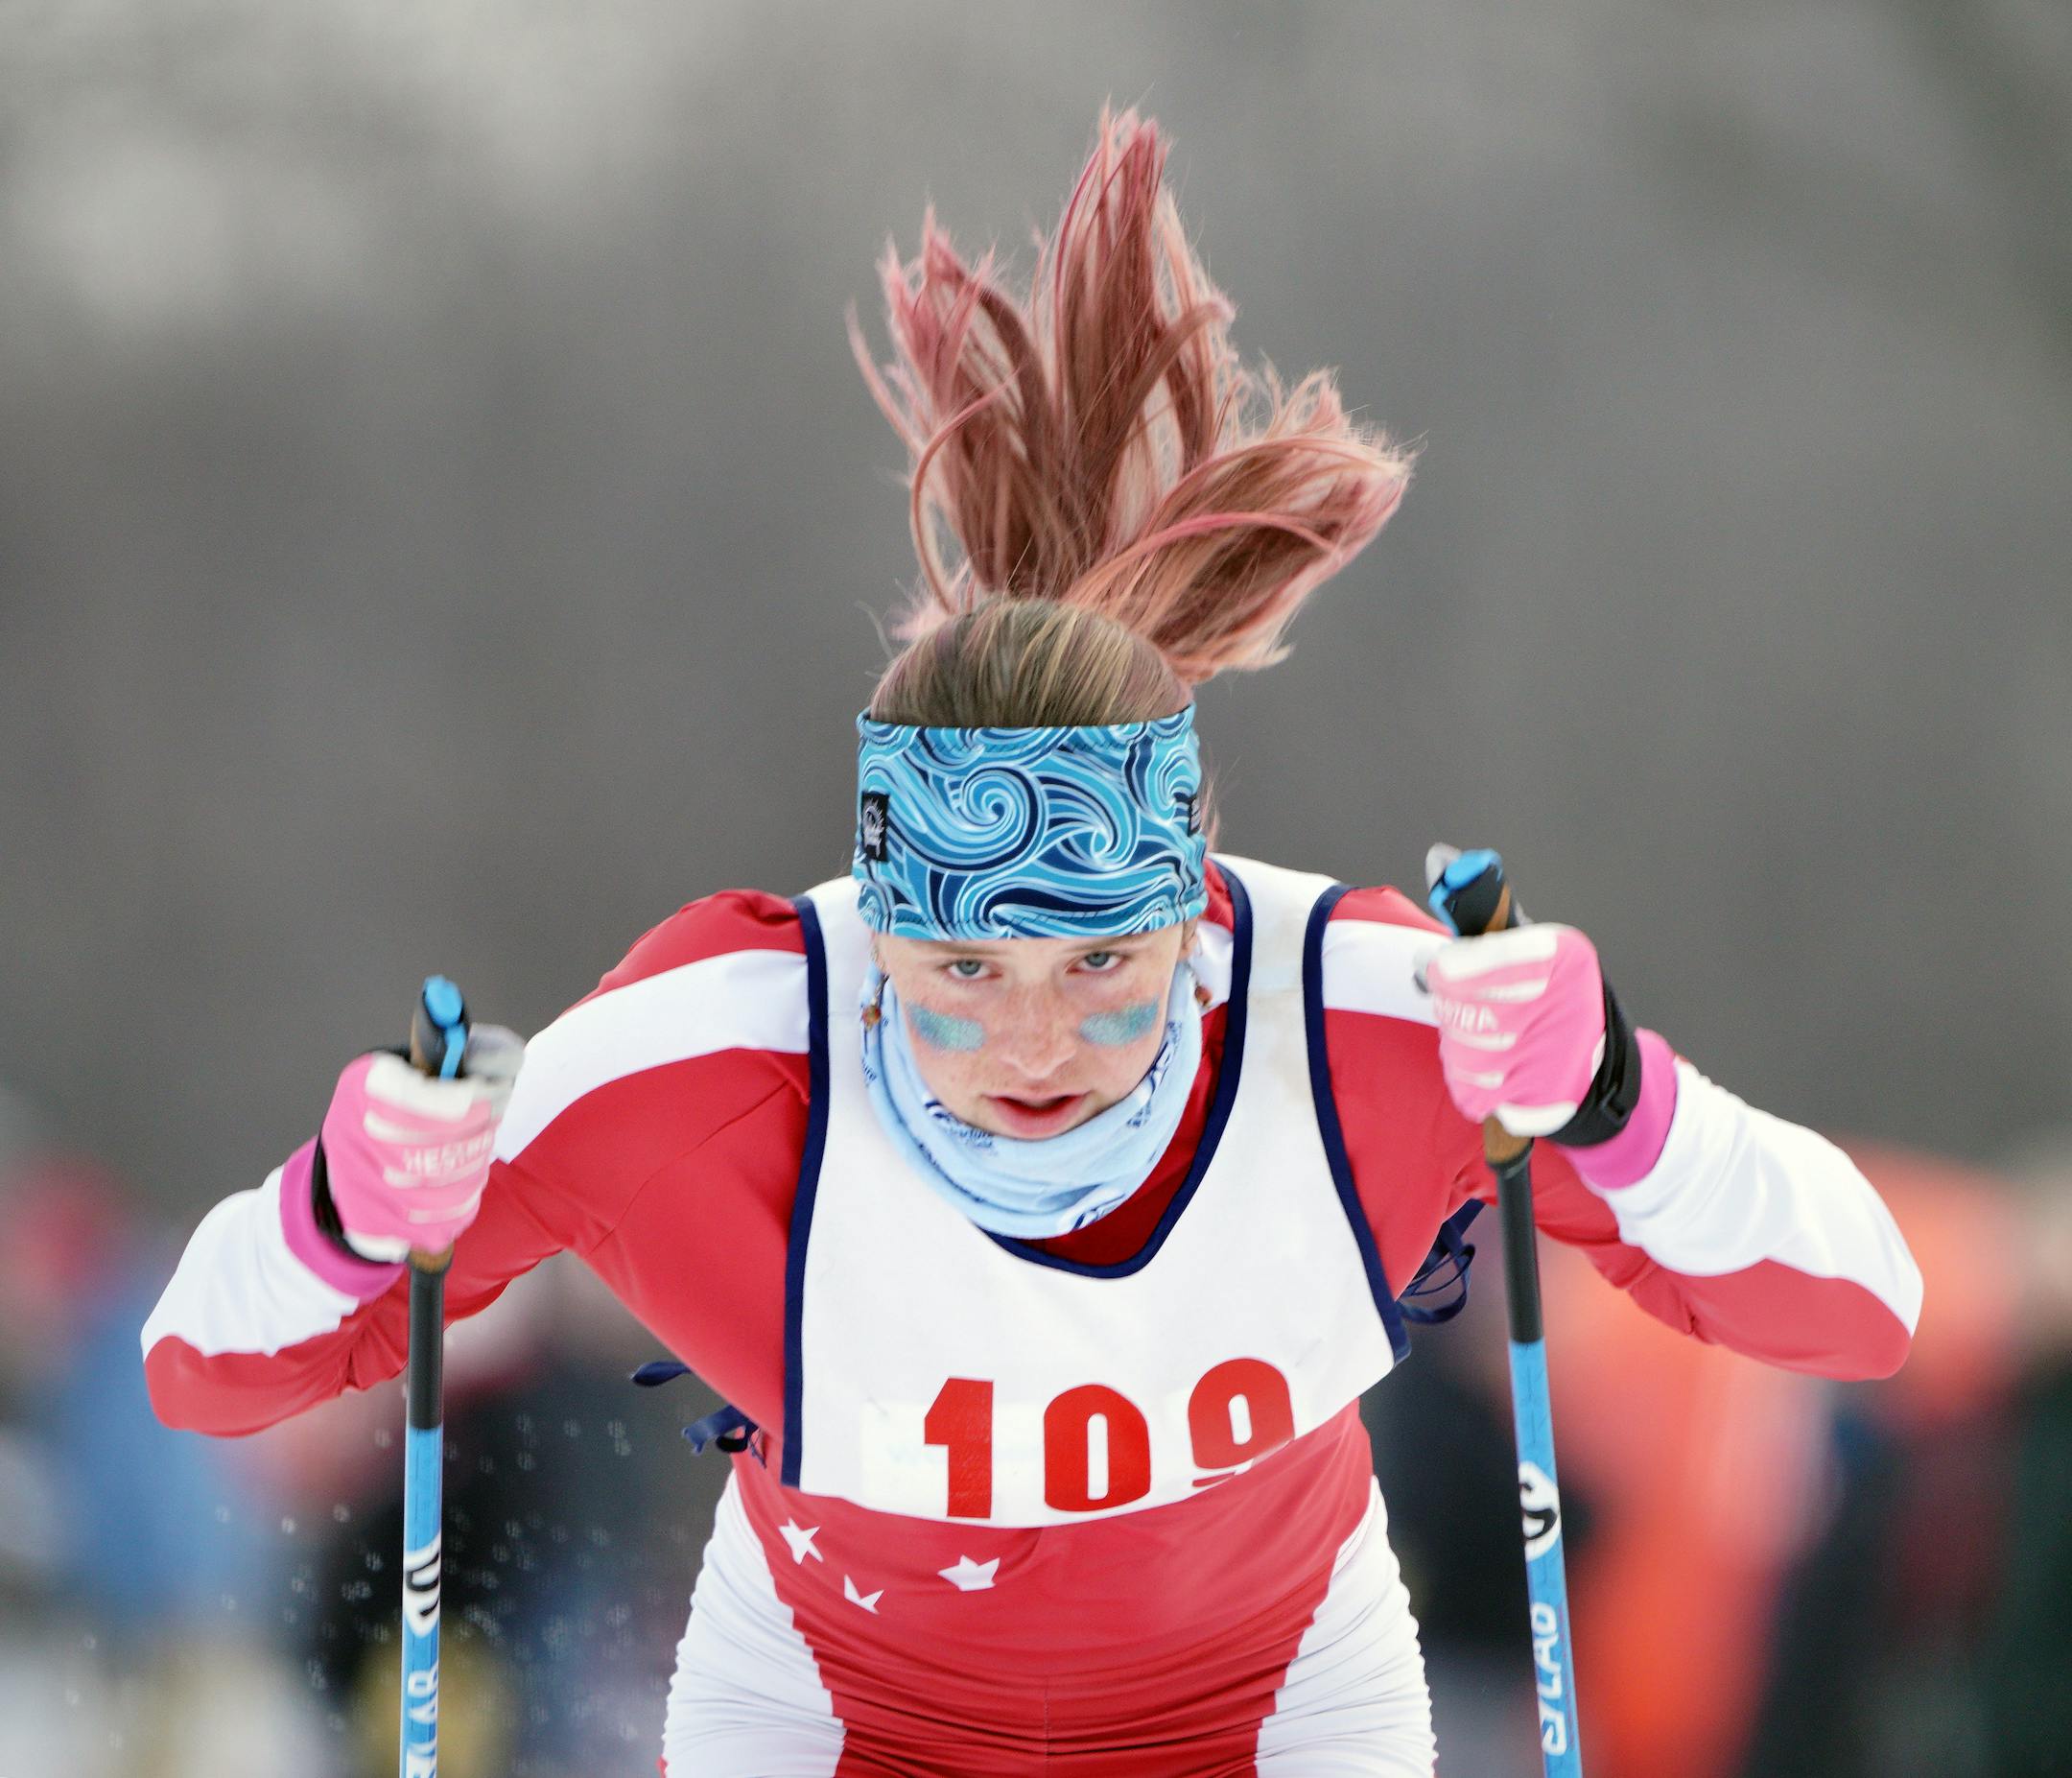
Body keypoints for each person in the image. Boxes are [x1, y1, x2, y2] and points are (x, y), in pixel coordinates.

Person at [141, 107, 1923, 1777]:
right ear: (877, 941)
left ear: (1195, 922)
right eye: (961, 976)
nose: (1034, 1040)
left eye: (1103, 970)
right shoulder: (708, 1066)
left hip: (1276, 1698)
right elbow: (203, 1369)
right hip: (834, 1704)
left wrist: (1614, 1094)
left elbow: (1862, 1306)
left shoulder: (1364, 1028)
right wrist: (345, 1205)